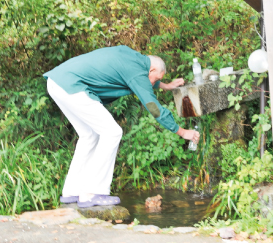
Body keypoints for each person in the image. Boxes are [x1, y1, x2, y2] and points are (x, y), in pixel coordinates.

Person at [43, 45, 200, 208]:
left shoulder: (133, 58)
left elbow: (142, 78)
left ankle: (71, 192)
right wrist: (181, 132)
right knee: (112, 132)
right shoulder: (138, 71)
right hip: (73, 87)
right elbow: (153, 107)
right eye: (156, 79)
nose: (155, 82)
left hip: (58, 82)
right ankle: (92, 193)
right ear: (151, 70)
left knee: (88, 135)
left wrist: (165, 86)